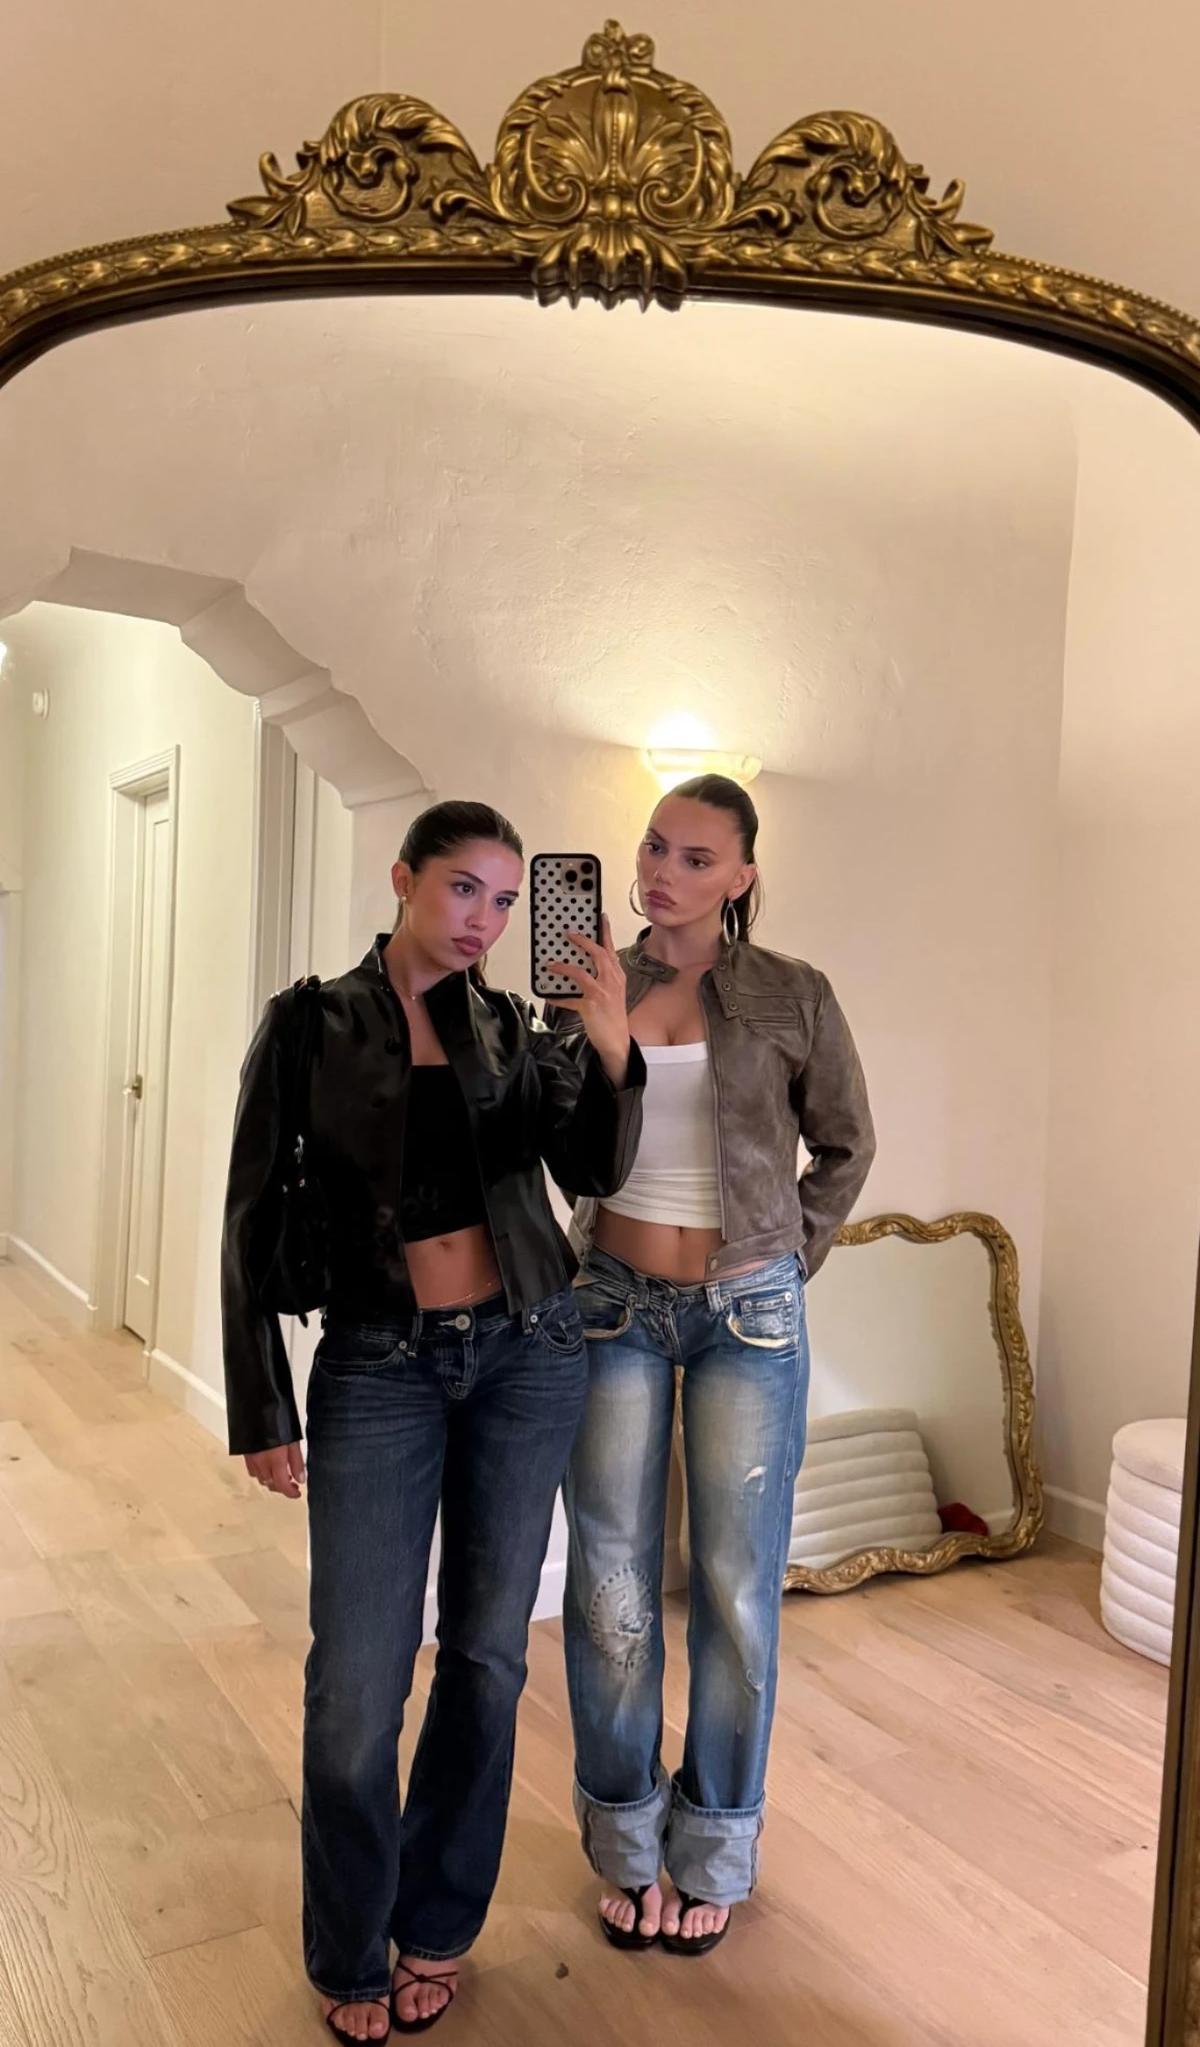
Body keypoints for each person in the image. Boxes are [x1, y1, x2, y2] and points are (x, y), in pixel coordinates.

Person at [220, 800, 644, 2042]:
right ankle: (349, 1940)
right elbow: (249, 1212)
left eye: (506, 900)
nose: (485, 920)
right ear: (405, 878)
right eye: (465, 888)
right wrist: (261, 1399)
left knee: (487, 1657)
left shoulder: (515, 1026)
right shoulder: (309, 1022)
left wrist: (609, 1044)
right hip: (378, 1365)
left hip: (529, 1351)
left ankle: (440, 1922)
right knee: (357, 1677)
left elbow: (591, 1170)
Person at [548, 775, 875, 1958]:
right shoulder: (592, 981)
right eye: (653, 847)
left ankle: (717, 1845)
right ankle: (627, 1841)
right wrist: (591, 1038)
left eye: (695, 857)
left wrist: (784, 1259)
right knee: (613, 1586)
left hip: (747, 1312)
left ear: (741, 874)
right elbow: (560, 1145)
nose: (662, 871)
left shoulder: (793, 991)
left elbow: (845, 1143)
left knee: (736, 1592)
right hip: (611, 1303)